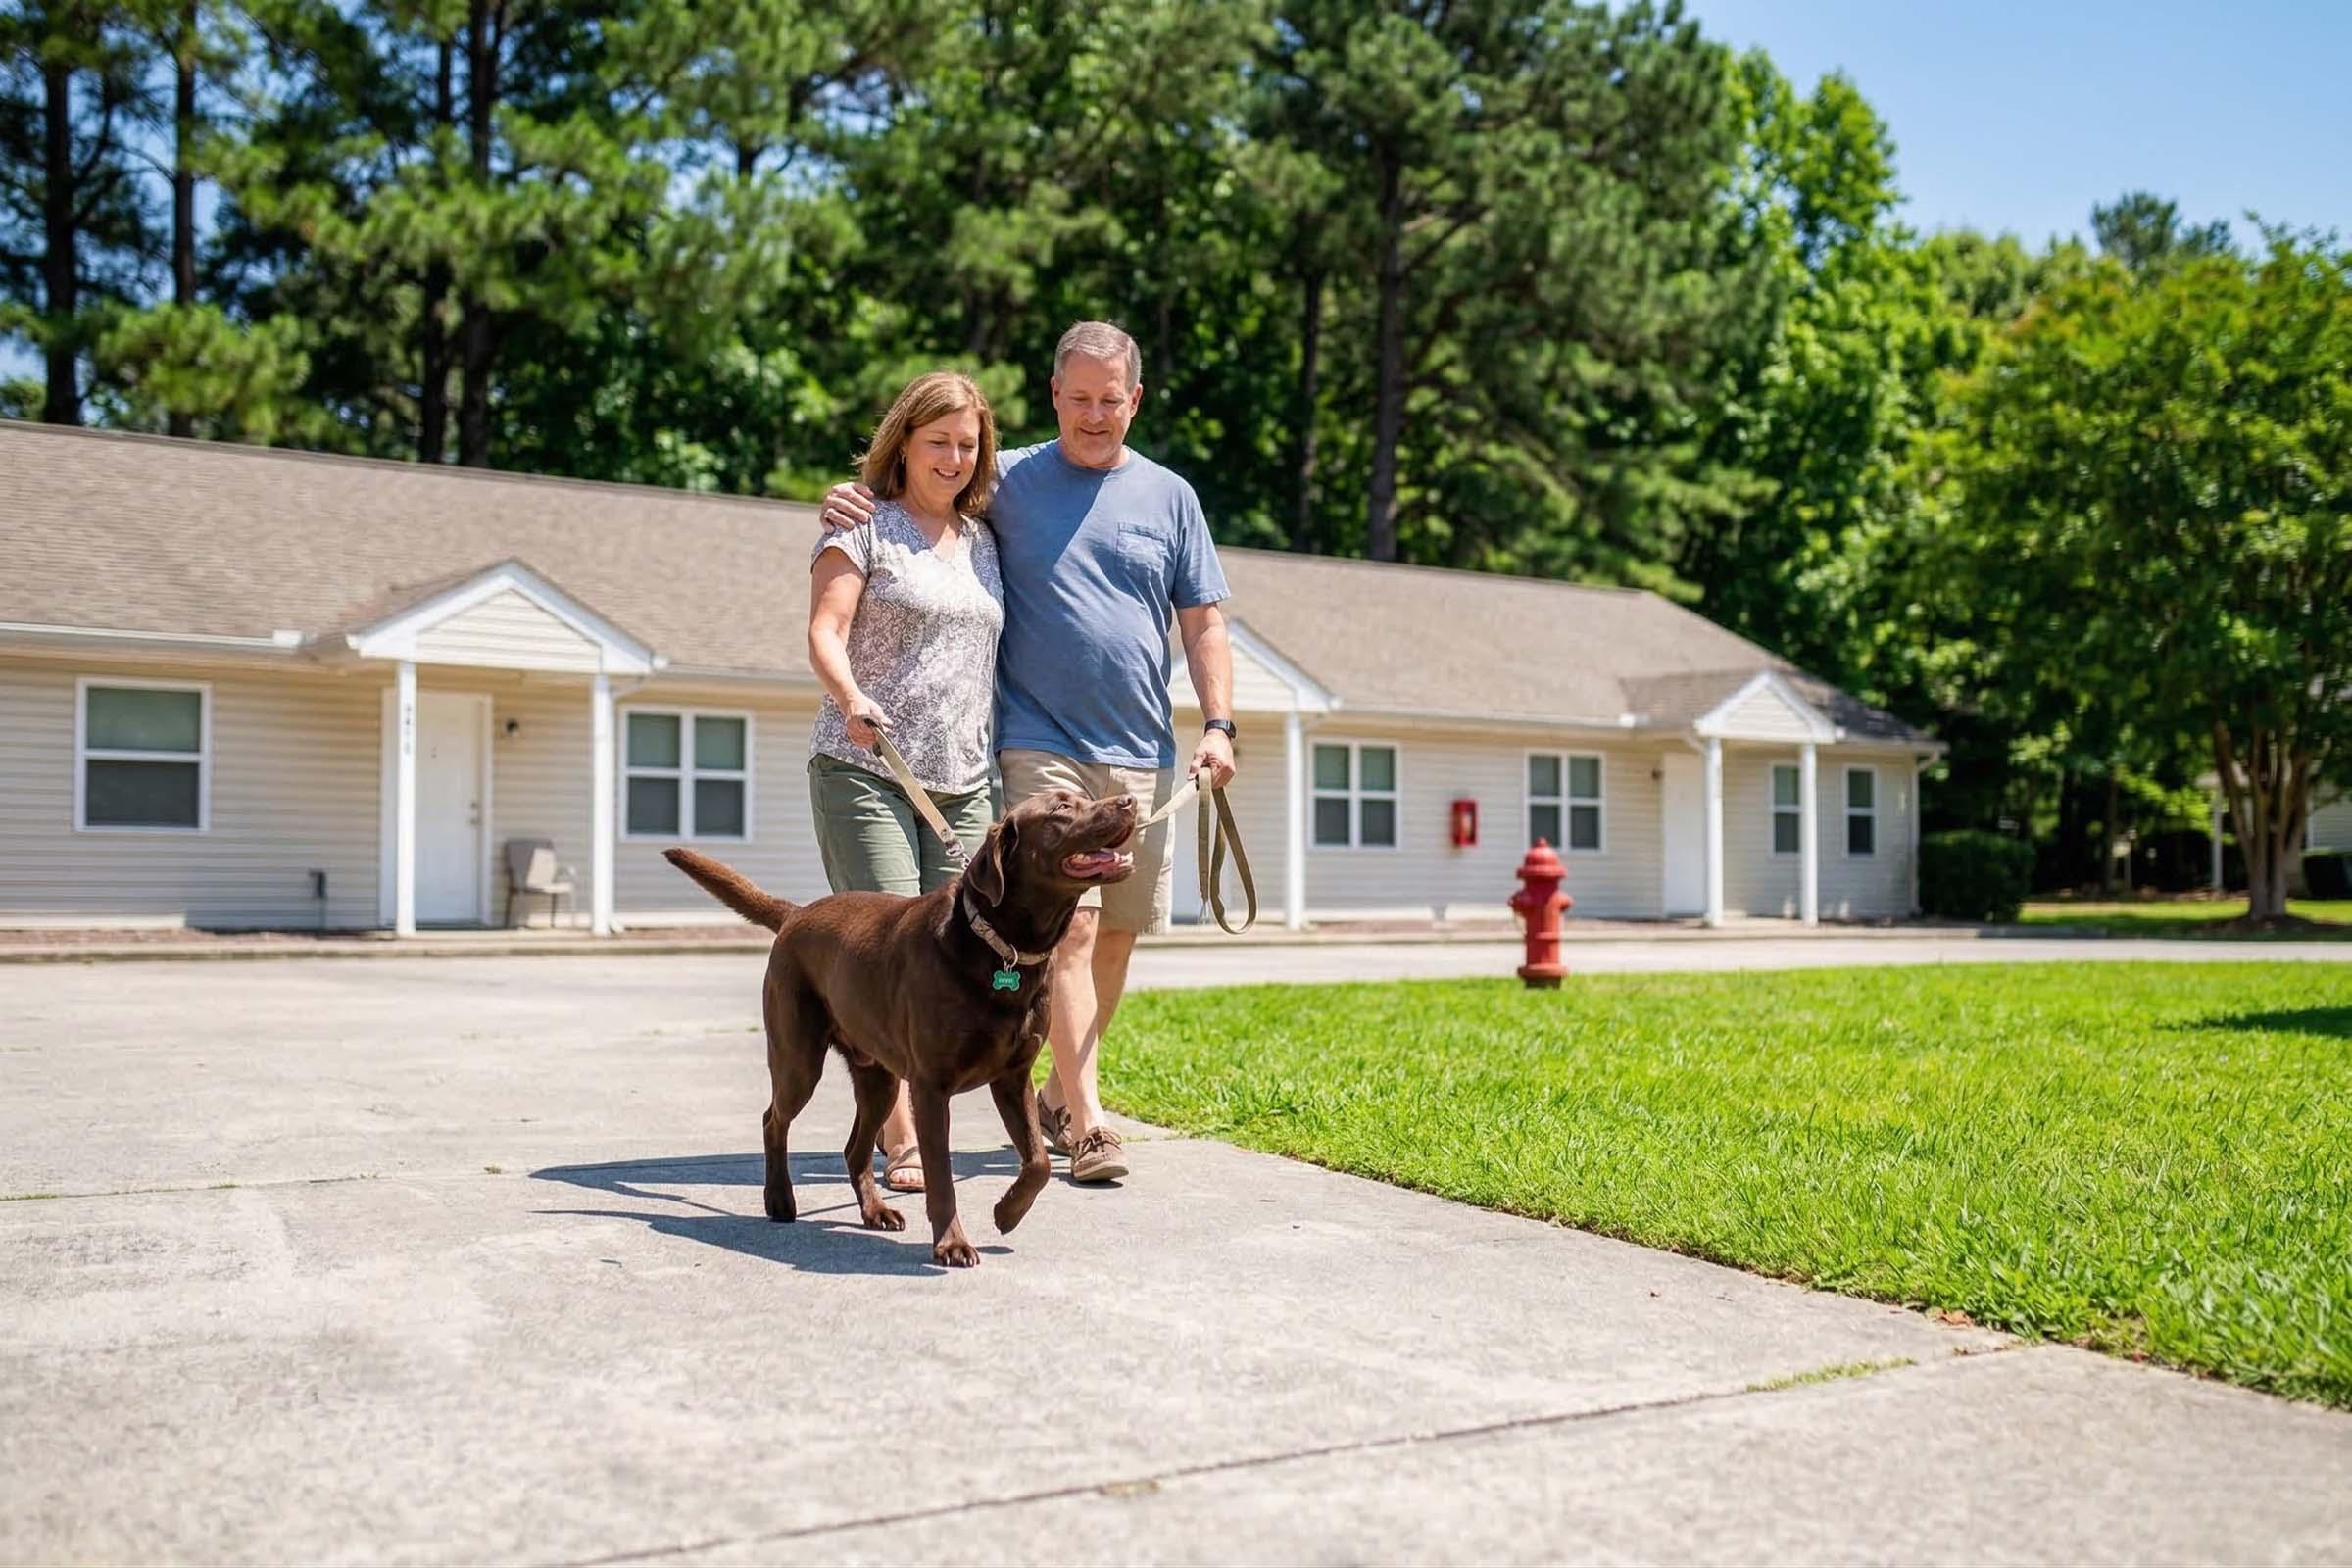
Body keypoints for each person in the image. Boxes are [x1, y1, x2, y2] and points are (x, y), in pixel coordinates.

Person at [823, 320, 1237, 1185]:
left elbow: (1202, 621)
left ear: (1136, 401)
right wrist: (848, 500)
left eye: (1110, 400)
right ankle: (1087, 1125)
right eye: (1078, 397)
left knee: (1116, 936)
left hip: (1141, 752)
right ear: (1054, 396)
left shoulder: (1172, 498)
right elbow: (920, 480)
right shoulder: (1002, 475)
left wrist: (1219, 724)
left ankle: (1058, 1093)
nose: (1094, 415)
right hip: (1033, 743)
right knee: (1073, 928)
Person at [807, 369, 1005, 1194]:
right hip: (870, 769)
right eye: (938, 442)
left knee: (962, 958)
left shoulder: (985, 541)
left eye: (967, 444)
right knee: (890, 956)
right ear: (904, 443)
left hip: (963, 780)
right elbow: (825, 630)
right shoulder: (862, 528)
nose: (954, 458)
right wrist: (852, 696)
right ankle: (901, 1142)